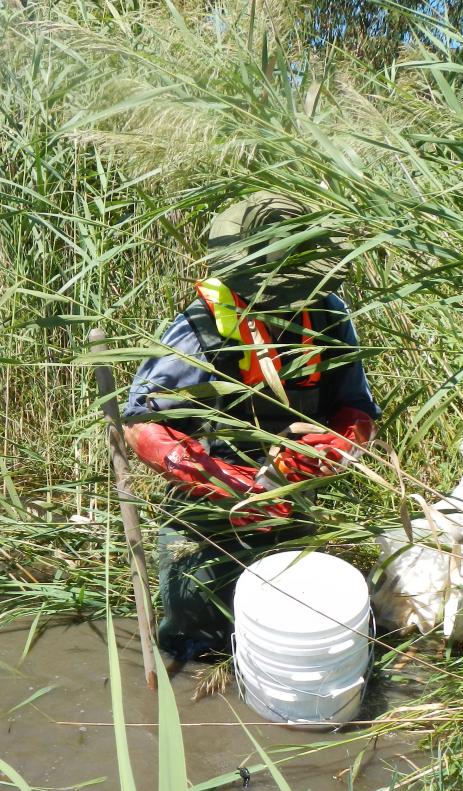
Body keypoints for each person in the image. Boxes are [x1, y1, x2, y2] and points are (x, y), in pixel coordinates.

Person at [122, 193, 381, 662]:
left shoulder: (327, 314)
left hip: (295, 493)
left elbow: (356, 409)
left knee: (292, 620)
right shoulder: (201, 327)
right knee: (197, 631)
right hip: (208, 503)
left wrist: (342, 444)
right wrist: (215, 479)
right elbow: (142, 427)